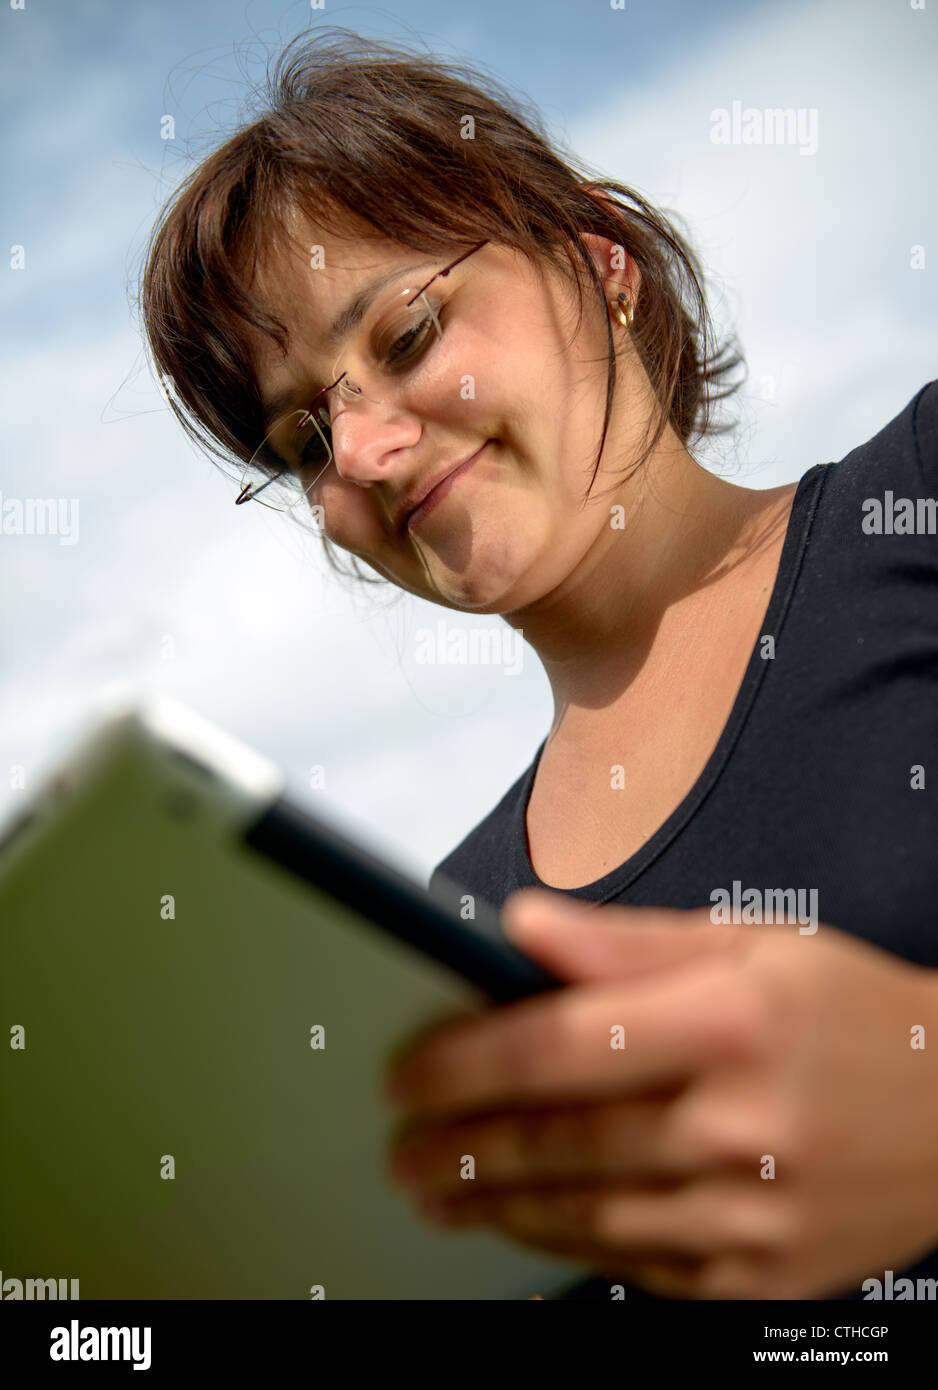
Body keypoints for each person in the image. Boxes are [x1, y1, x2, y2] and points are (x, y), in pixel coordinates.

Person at [139, 29, 938, 1301]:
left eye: (403, 334)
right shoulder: (448, 942)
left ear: (598, 258)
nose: (364, 454)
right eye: (302, 438)